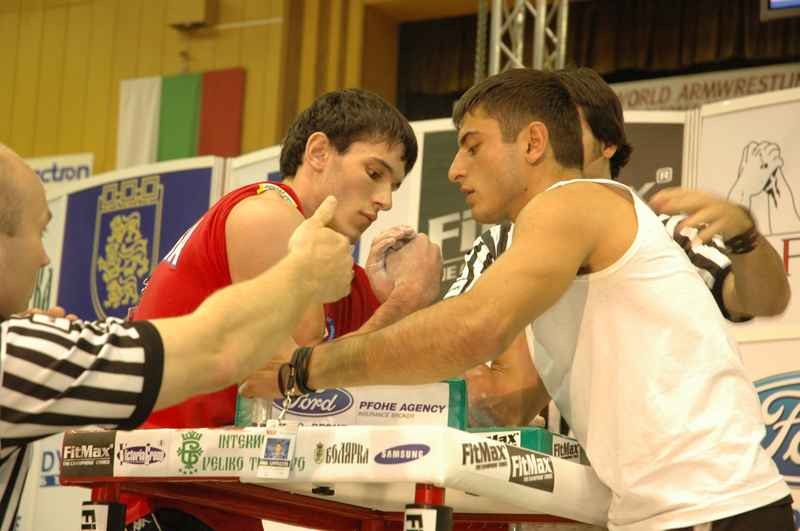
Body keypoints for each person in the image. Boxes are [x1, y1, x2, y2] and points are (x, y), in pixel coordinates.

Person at [283, 69, 795, 530]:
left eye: (472, 145)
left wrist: (306, 369)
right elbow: (508, 398)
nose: (455, 169)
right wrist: (405, 310)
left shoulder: (573, 202)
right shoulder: (544, 236)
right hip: (661, 511)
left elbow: (473, 328)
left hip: (713, 508)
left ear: (532, 143)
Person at [121, 88, 442, 530]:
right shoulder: (267, 215)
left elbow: (382, 372)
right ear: (318, 152)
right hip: (168, 489)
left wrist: (390, 299)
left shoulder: (334, 266)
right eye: (374, 173)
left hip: (216, 492)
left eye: (394, 186)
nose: (385, 200)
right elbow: (294, 381)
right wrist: (406, 300)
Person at [0, 143, 354, 531]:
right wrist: (302, 275)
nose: (44, 257)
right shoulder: (13, 356)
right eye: (40, 230)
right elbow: (216, 349)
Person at [449, 67, 791, 428]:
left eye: (567, 127)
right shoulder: (498, 242)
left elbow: (763, 301)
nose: (552, 142)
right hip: (548, 470)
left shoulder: (667, 232)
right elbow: (458, 346)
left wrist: (745, 237)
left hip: (669, 464)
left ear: (607, 143)